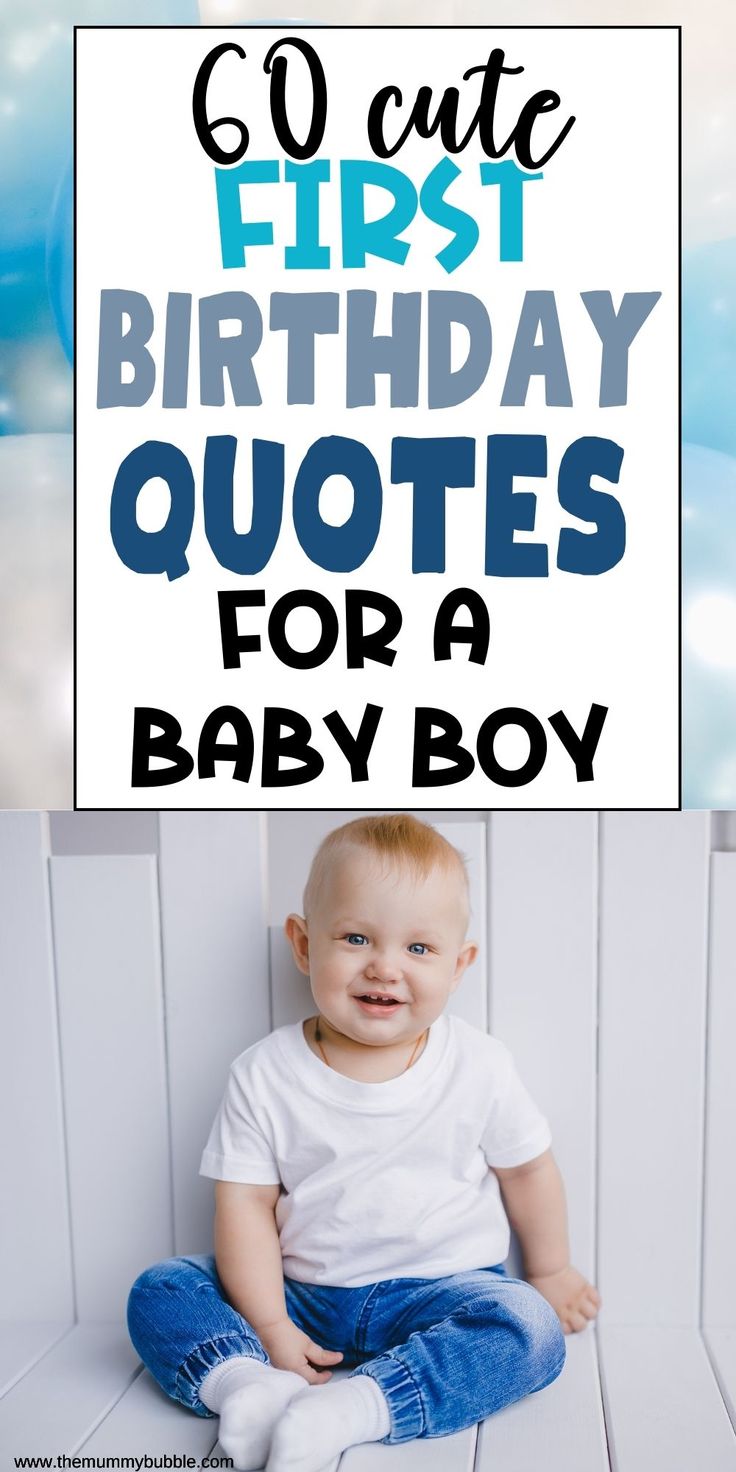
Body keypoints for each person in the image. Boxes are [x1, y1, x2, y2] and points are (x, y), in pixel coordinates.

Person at [127, 814, 600, 1472]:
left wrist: (548, 1269)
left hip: (445, 1290)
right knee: (163, 1288)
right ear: (303, 944)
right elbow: (244, 1207)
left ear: (459, 965)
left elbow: (529, 1171)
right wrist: (269, 1327)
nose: (384, 967)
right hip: (303, 1295)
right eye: (355, 937)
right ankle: (248, 1386)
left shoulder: (481, 1066)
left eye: (419, 949)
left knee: (532, 1329)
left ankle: (359, 1407)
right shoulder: (265, 1073)